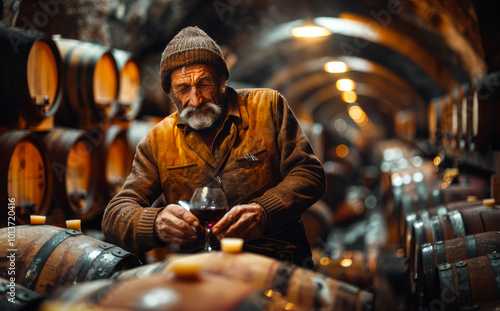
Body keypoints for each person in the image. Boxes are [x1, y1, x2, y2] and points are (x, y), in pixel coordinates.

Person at [102, 26, 326, 267]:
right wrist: (155, 224)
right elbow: (115, 215)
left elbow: (309, 173)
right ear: (170, 93)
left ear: (221, 80)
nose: (195, 99)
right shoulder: (158, 139)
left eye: (204, 84)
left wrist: (264, 211)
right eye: (182, 89)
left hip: (279, 262)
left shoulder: (268, 107)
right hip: (203, 271)